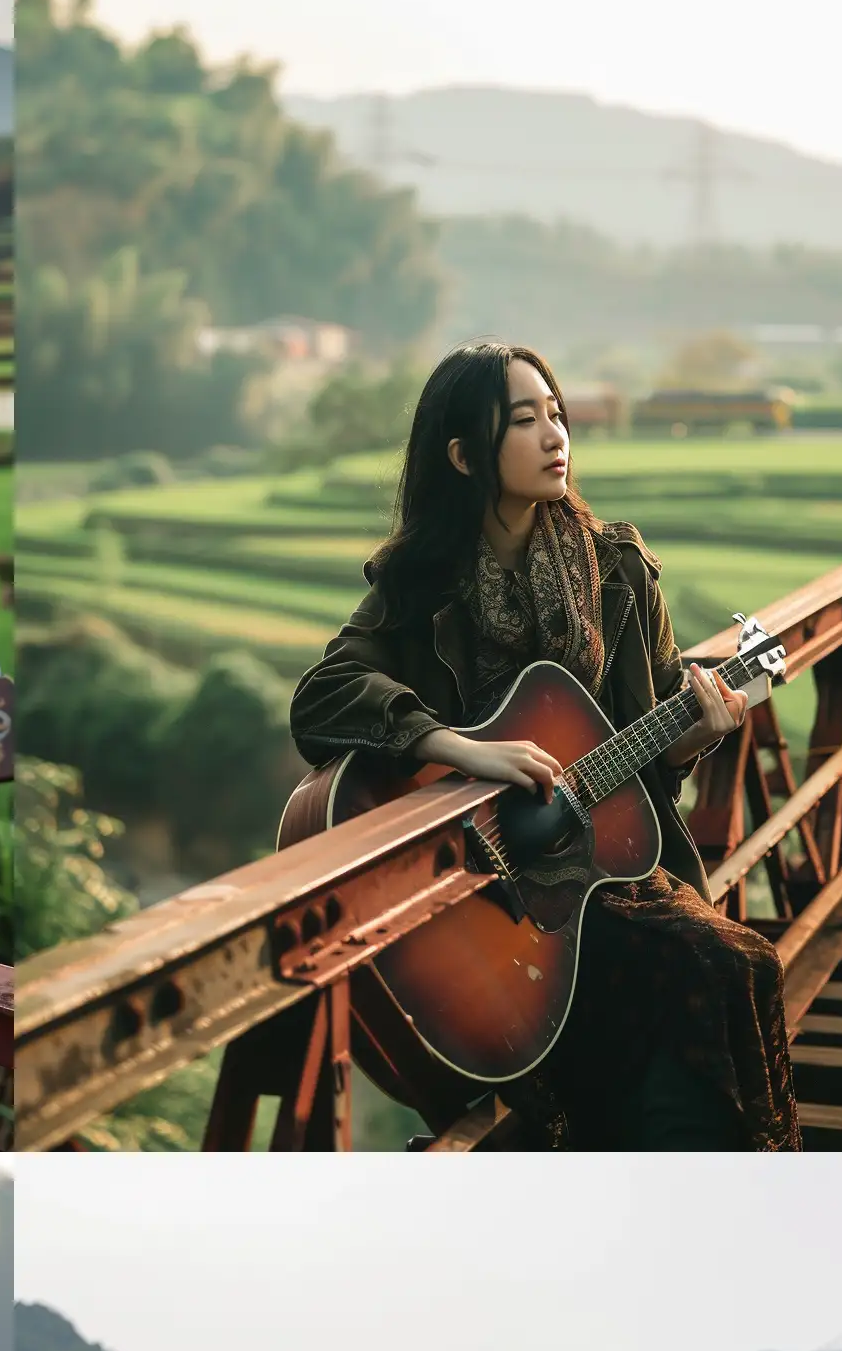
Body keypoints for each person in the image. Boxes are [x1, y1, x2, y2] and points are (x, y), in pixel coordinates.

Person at [290, 342, 799, 1151]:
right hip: (486, 902)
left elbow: (649, 761)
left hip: (601, 874)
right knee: (708, 972)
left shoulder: (619, 570)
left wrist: (693, 736)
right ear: (462, 456)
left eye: (556, 413)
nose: (555, 434)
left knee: (736, 964)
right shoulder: (418, 586)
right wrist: (460, 747)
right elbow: (323, 696)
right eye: (524, 420)